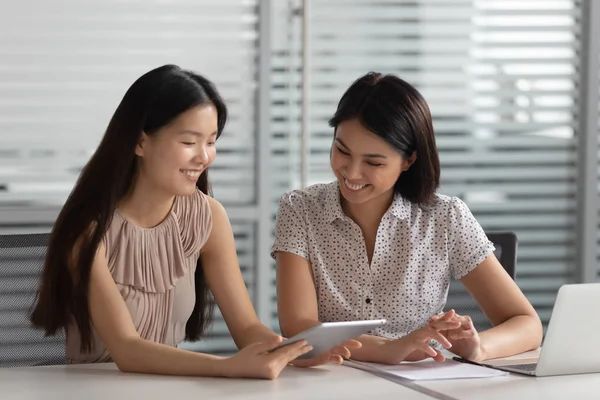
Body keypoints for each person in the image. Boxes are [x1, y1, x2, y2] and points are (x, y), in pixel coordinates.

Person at [30, 64, 323, 379]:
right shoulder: (89, 230)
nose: (204, 157)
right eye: (189, 142)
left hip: (172, 388)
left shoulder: (208, 217)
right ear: (140, 142)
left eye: (211, 141)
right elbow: (127, 350)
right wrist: (228, 367)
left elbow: (247, 327)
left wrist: (293, 350)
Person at [273, 72, 543, 364]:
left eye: (373, 162)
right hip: (330, 382)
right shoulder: (300, 209)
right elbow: (301, 329)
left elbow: (527, 324)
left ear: (409, 159)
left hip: (423, 384)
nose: (351, 172)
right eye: (342, 150)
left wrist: (478, 347)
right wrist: (390, 349)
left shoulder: (446, 218)